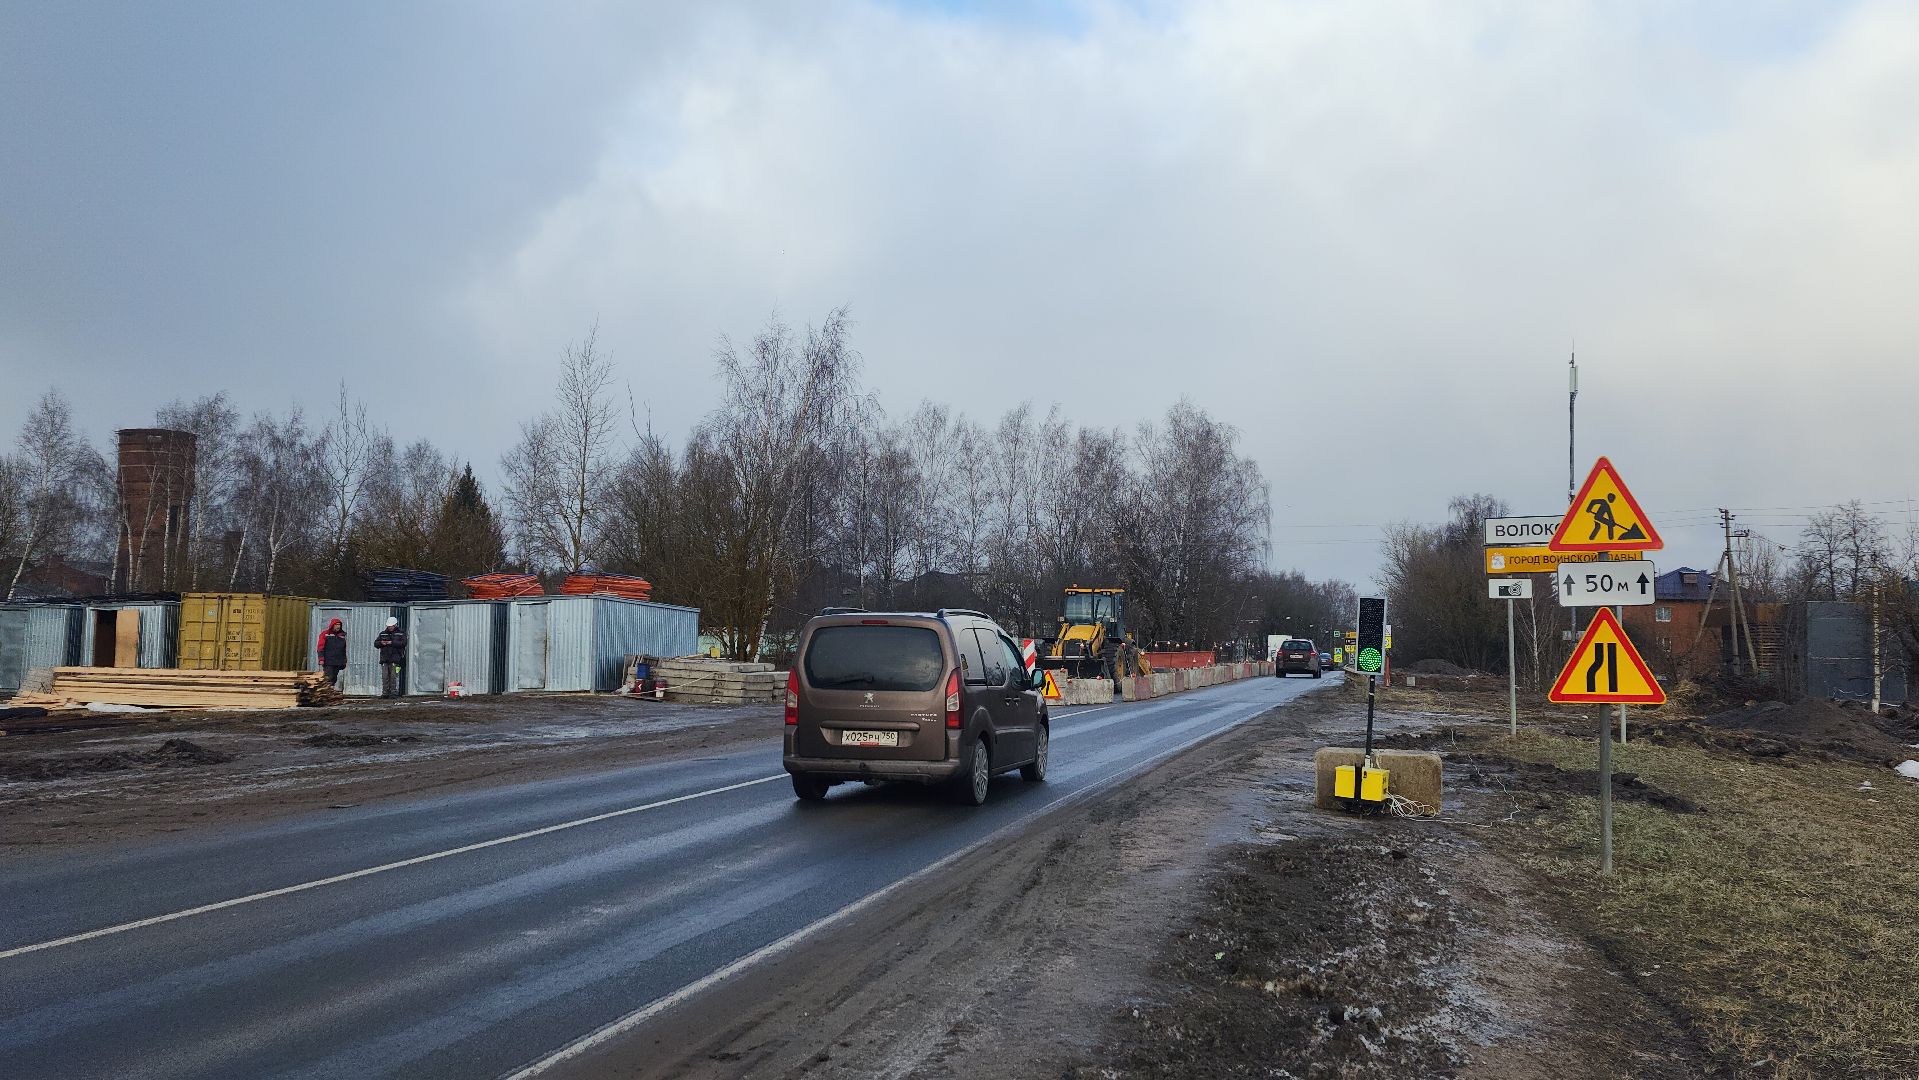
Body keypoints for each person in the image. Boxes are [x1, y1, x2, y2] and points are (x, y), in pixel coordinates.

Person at [374, 617, 407, 698]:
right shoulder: (382, 634)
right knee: (385, 677)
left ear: (395, 625)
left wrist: (391, 642)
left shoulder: (401, 633)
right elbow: (376, 643)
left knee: (394, 677)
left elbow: (403, 643)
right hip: (385, 659)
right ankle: (385, 693)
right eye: (389, 626)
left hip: (396, 660)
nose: (390, 627)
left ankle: (393, 693)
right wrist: (381, 643)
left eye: (391, 626)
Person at [317, 618, 348, 691]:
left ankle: (330, 692)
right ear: (332, 625)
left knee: (334, 678)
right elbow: (320, 647)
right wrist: (321, 659)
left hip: (338, 661)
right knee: (329, 677)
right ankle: (326, 691)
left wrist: (344, 660)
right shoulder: (325, 634)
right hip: (328, 661)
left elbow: (343, 649)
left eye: (339, 625)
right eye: (336, 625)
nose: (338, 626)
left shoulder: (342, 635)